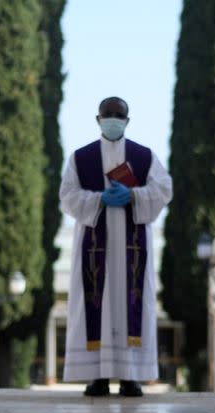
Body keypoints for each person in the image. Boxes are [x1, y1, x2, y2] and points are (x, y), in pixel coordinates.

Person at [59, 96, 173, 397]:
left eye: (118, 115)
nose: (112, 119)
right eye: (107, 115)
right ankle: (95, 377)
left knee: (132, 304)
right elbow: (67, 195)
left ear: (127, 120)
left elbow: (163, 189)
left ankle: (130, 377)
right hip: (93, 247)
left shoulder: (144, 156)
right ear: (98, 120)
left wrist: (135, 195)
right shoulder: (80, 158)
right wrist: (98, 199)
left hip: (131, 250)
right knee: (93, 305)